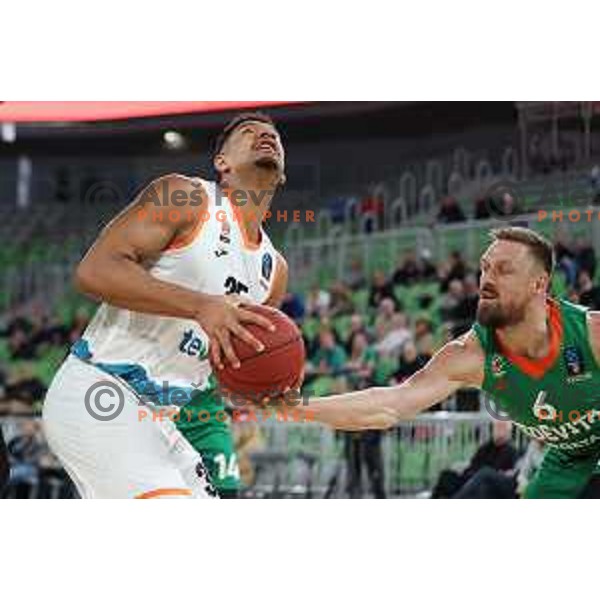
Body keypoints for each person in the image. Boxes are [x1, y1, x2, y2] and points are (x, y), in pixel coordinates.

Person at [43, 112, 289, 499]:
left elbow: (229, 364)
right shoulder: (185, 197)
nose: (264, 137)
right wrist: (200, 306)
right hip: (101, 390)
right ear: (221, 163)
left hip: (164, 419)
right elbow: (93, 271)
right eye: (248, 133)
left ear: (282, 173)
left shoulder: (274, 270)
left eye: (273, 136)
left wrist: (263, 384)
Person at [301, 227, 600, 498]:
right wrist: (296, 408)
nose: (487, 279)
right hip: (569, 461)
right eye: (485, 268)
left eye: (504, 270)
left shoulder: (590, 334)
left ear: (539, 284)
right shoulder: (471, 354)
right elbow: (390, 405)